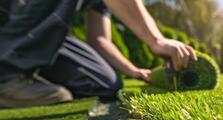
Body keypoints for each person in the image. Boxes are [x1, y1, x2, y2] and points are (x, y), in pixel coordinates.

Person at [0, 0, 197, 108]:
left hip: (37, 34)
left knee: (104, 84)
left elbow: (100, 39)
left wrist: (134, 70)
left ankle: (26, 70)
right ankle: (6, 76)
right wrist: (156, 40)